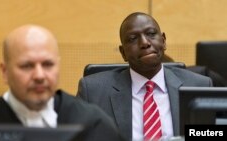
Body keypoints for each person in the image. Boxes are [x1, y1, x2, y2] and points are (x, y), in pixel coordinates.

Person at [76, 12, 213, 141]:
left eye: (151, 34)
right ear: (123, 52)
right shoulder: (93, 92)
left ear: (164, 41)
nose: (145, 43)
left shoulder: (198, 86)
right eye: (133, 39)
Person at [0, 25, 125, 141]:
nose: (39, 76)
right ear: (5, 72)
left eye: (48, 64)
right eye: (27, 66)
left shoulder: (91, 123)